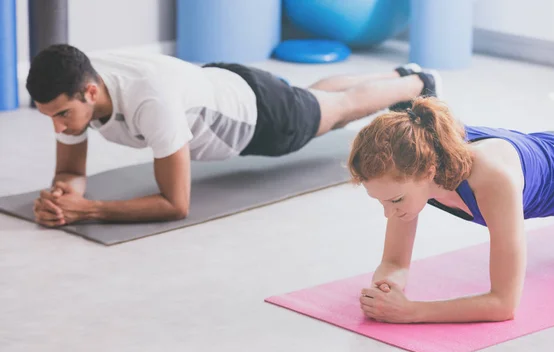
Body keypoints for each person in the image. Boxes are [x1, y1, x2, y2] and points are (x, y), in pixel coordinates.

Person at [26, 44, 440, 227]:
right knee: (317, 99)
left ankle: (417, 84)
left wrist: (91, 209)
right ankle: (396, 76)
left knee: (336, 112)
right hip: (218, 82)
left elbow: (175, 204)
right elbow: (69, 171)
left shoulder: (151, 102)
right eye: (50, 117)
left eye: (62, 115)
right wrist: (62, 196)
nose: (59, 127)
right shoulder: (75, 76)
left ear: (91, 91)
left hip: (258, 117)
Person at [348, 96, 554, 324]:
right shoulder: (417, 160)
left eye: (395, 200)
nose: (388, 213)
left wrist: (411, 311)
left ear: (429, 172)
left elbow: (503, 304)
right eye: (382, 201)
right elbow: (394, 263)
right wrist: (387, 288)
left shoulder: (492, 179)